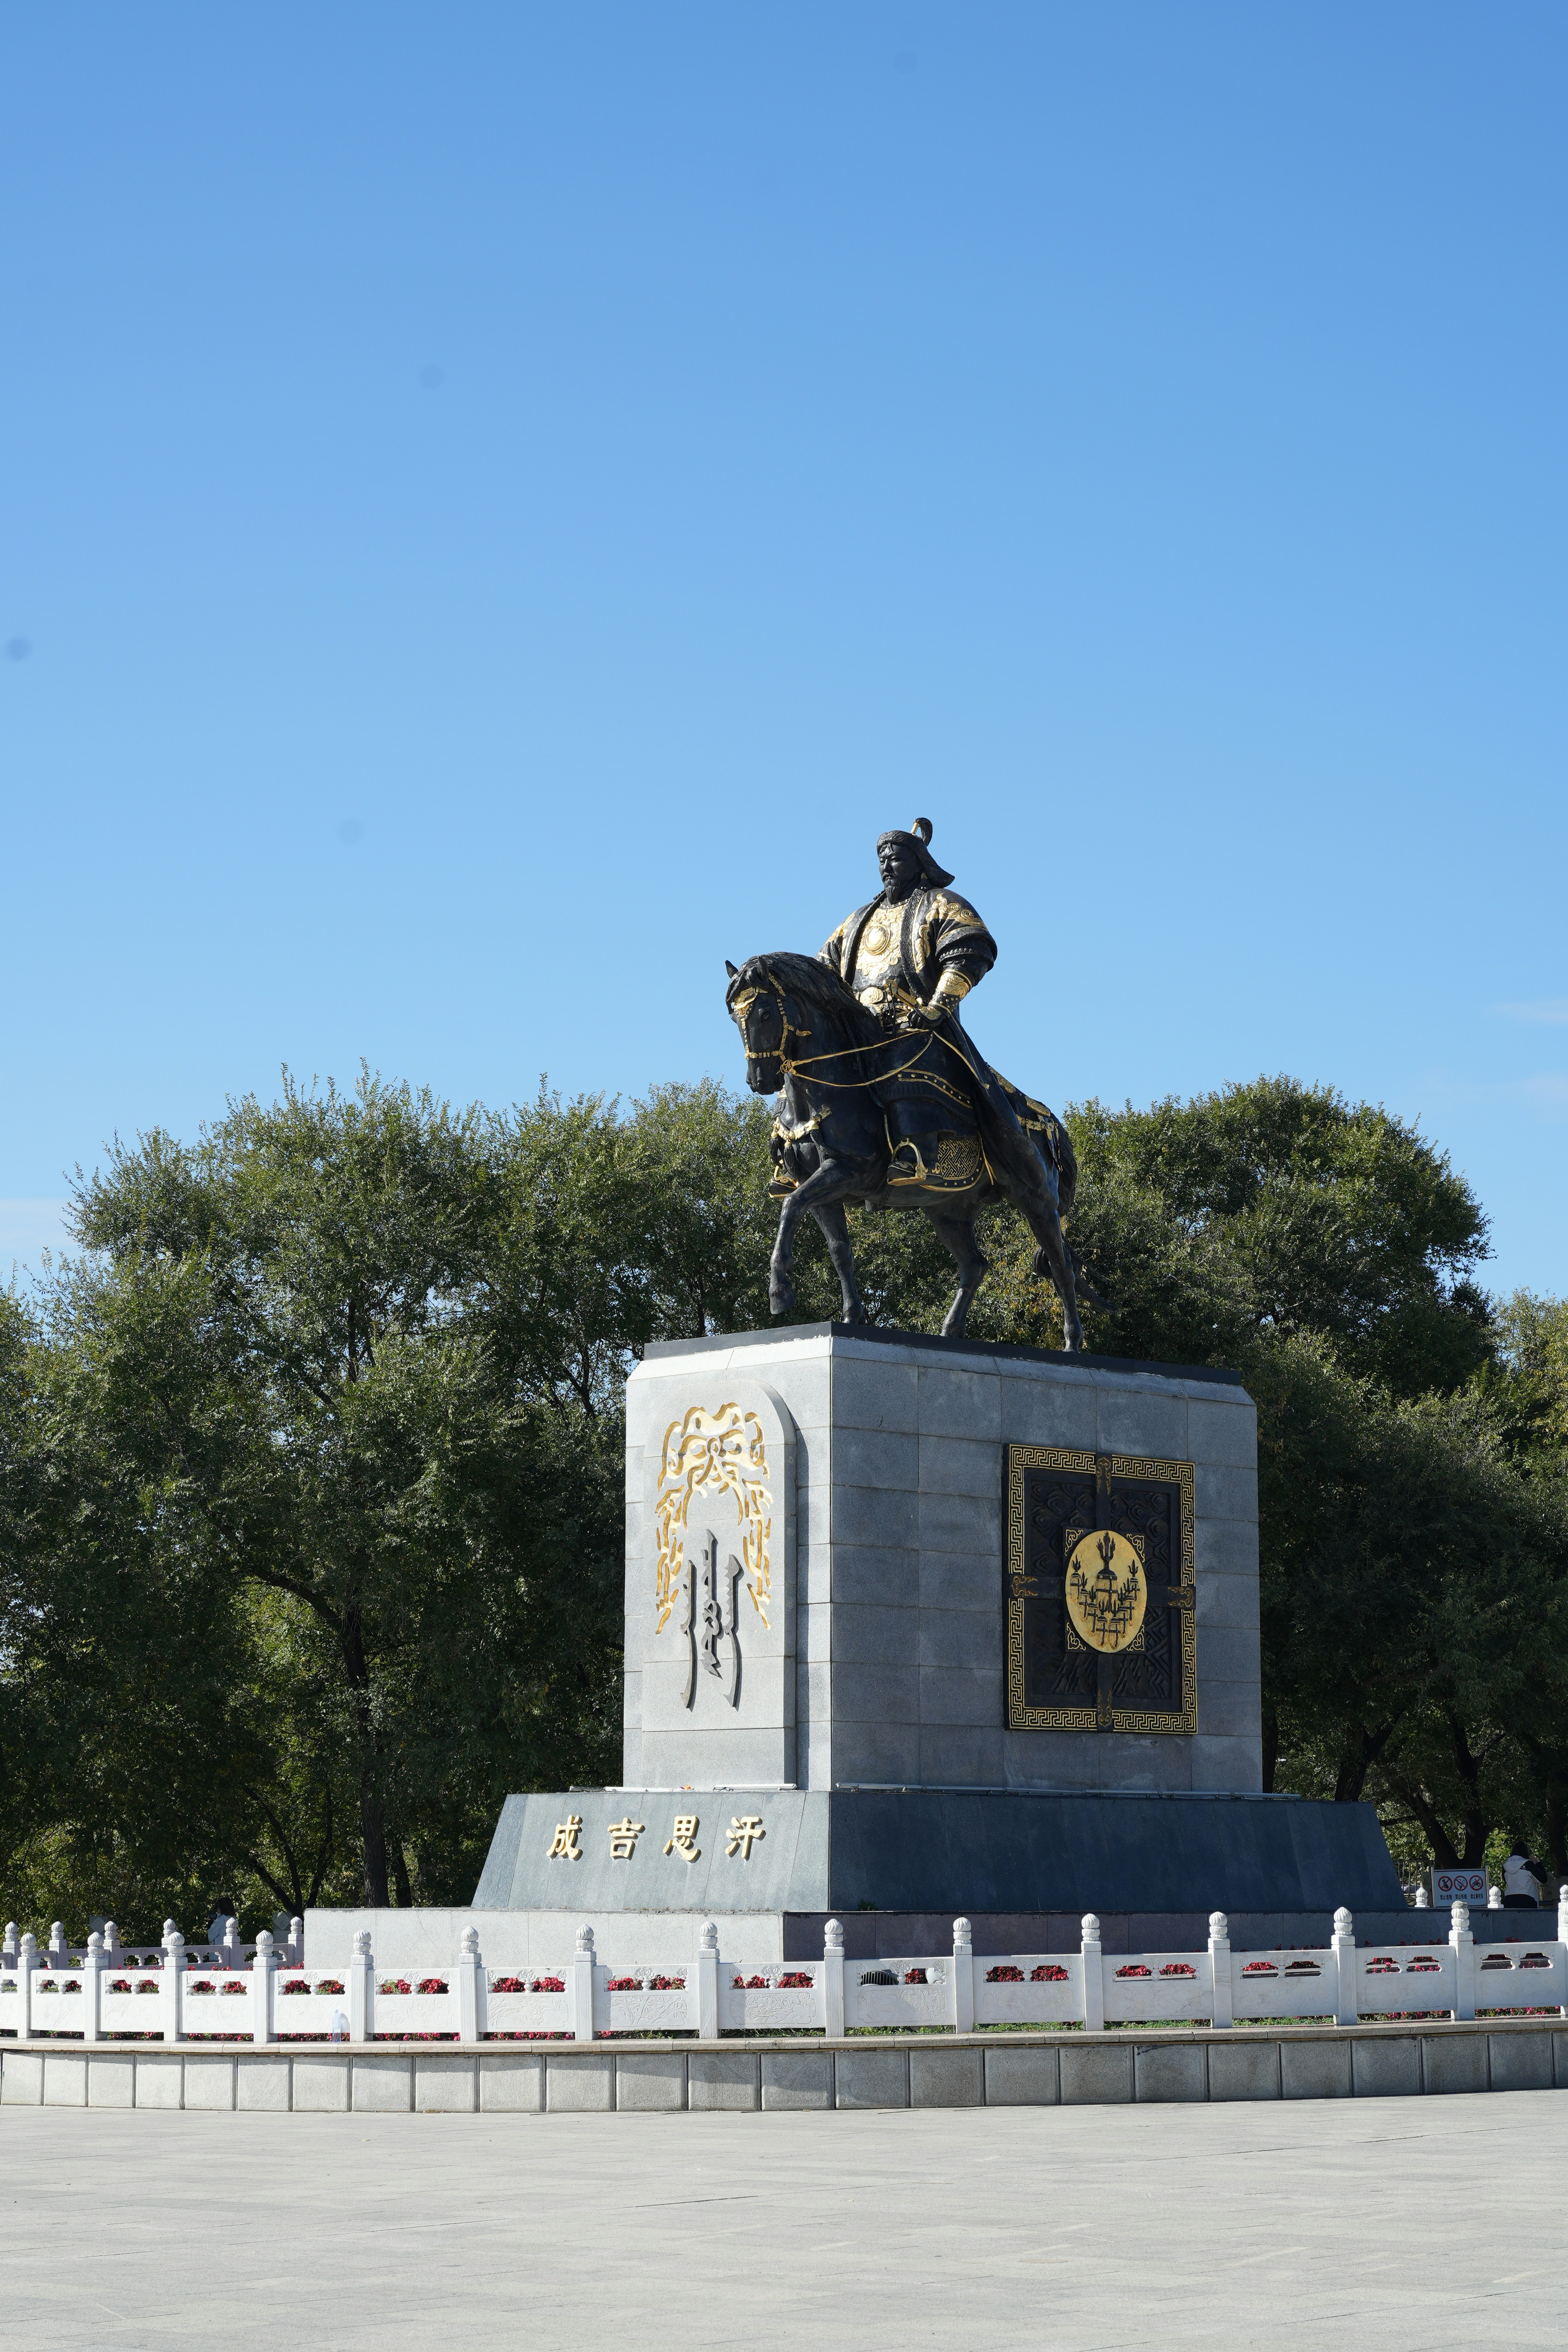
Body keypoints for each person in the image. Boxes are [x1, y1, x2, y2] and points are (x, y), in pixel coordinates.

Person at [818, 820, 1062, 1194]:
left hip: (917, 1025)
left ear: (918, 862)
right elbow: (823, 969)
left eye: (895, 858)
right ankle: (796, 1154)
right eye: (881, 860)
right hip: (859, 1032)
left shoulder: (942, 904)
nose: (886, 866)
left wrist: (937, 1008)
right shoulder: (856, 922)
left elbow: (969, 951)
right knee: (806, 1063)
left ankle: (919, 1151)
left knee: (905, 1054)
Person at [1502, 1845, 1550, 1909]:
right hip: (1526, 1899)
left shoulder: (1505, 1867)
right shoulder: (1528, 1864)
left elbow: (1505, 1880)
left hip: (1509, 1899)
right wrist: (1538, 1863)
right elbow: (1543, 1879)